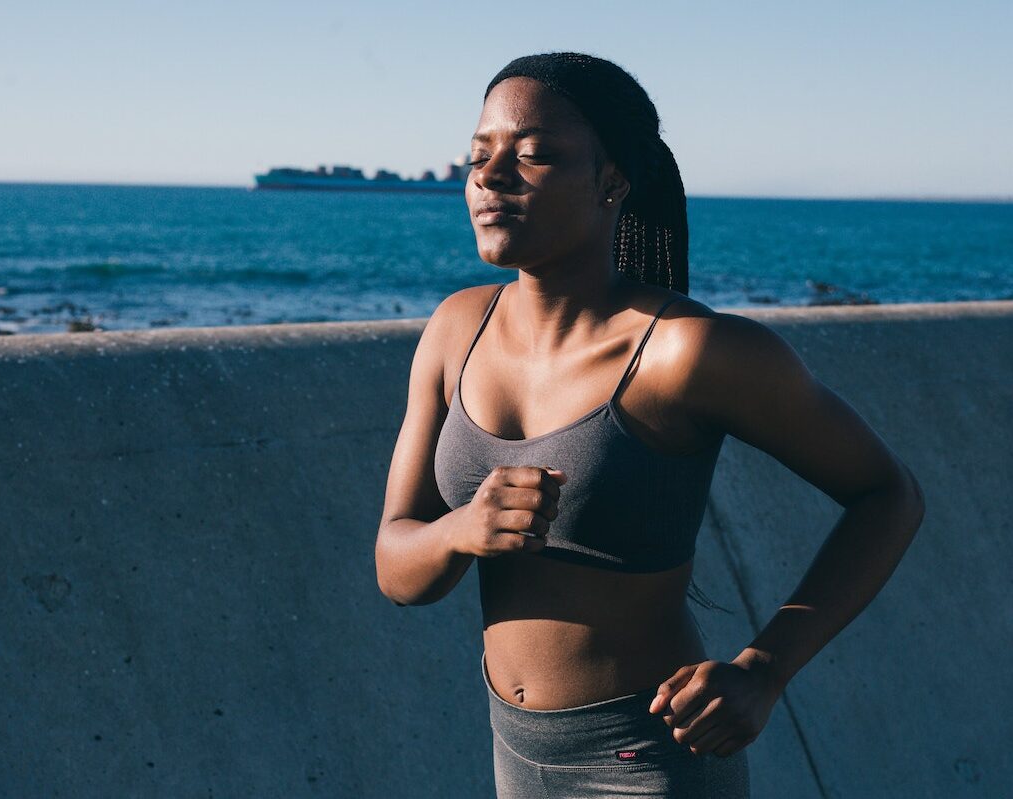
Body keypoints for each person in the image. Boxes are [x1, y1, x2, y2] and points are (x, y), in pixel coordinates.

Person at [374, 52, 925, 798]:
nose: (490, 176)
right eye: (478, 155)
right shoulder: (454, 329)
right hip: (512, 748)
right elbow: (397, 568)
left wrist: (763, 668)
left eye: (532, 155)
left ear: (611, 183)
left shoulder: (687, 353)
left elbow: (886, 493)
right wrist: (459, 529)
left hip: (648, 757)